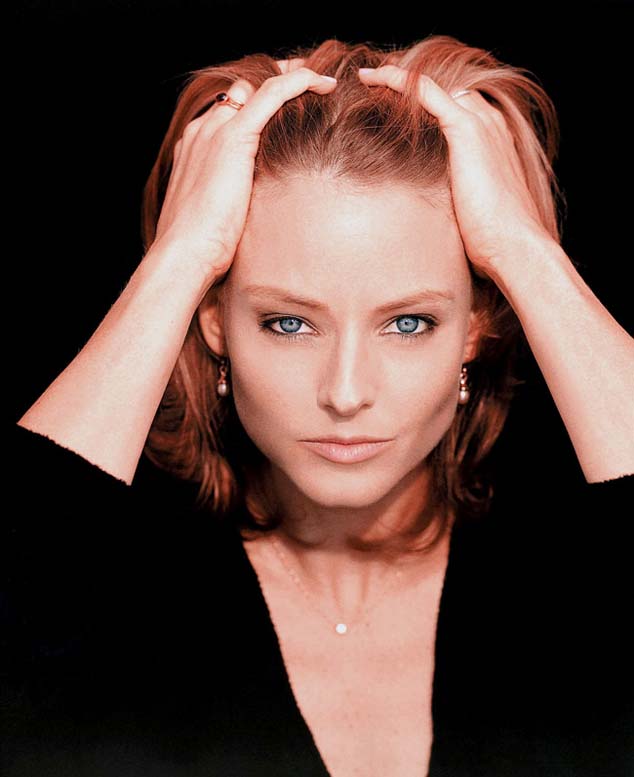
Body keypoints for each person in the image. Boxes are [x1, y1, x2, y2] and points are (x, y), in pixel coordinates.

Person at [3, 34, 633, 777]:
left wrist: (523, 249)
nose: (345, 392)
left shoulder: (581, 593)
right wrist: (182, 255)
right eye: (290, 323)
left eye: (408, 323)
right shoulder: (107, 591)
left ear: (477, 325)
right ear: (213, 319)